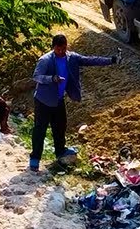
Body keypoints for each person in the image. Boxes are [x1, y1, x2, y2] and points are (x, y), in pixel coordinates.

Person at [30, 34, 120, 172]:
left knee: (60, 127)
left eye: (64, 49)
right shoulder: (45, 60)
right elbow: (36, 76)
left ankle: (60, 152)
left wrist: (111, 60)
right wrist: (52, 79)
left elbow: (90, 60)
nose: (61, 52)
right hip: (43, 101)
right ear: (53, 47)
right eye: (58, 49)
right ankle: (35, 159)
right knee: (40, 130)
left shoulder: (71, 58)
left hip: (58, 100)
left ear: (67, 47)